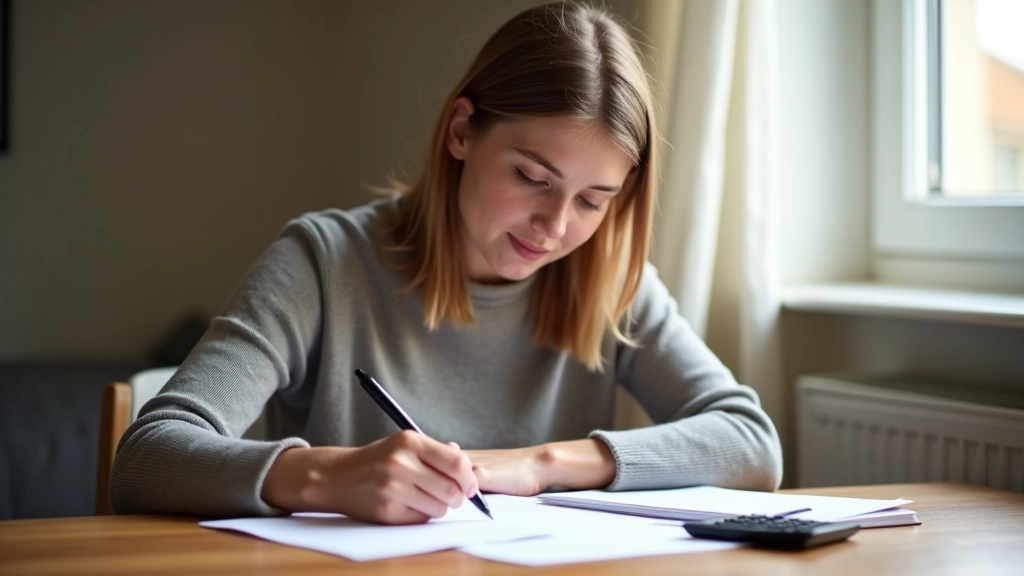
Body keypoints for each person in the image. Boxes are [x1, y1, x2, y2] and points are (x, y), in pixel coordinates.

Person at [111, 1, 782, 525]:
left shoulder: (607, 281)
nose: (555, 227)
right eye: (532, 178)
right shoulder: (324, 263)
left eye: (593, 200)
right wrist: (325, 477)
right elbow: (146, 457)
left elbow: (751, 442)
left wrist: (542, 464)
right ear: (462, 131)